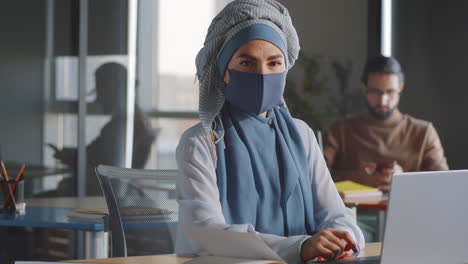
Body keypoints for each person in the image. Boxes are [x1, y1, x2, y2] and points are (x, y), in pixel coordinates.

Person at [175, 1, 364, 263]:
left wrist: (344, 237)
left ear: (285, 69)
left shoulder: (302, 135)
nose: (262, 74)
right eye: (247, 62)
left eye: (274, 63)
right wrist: (300, 247)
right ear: (224, 72)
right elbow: (207, 233)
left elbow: (335, 213)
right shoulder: (200, 142)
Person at [322, 55, 449, 242]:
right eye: (375, 92)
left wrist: (403, 179)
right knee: (347, 241)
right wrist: (363, 178)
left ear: (400, 89)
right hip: (354, 217)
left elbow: (443, 183)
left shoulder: (423, 132)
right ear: (364, 89)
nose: (383, 100)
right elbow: (316, 178)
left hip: (411, 216)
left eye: (390, 92)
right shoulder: (340, 130)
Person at [49, 62, 157, 196]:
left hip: (103, 197)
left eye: (100, 92)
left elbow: (96, 162)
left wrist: (67, 156)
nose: (98, 99)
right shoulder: (134, 121)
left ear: (113, 91)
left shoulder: (121, 127)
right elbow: (94, 154)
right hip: (117, 195)